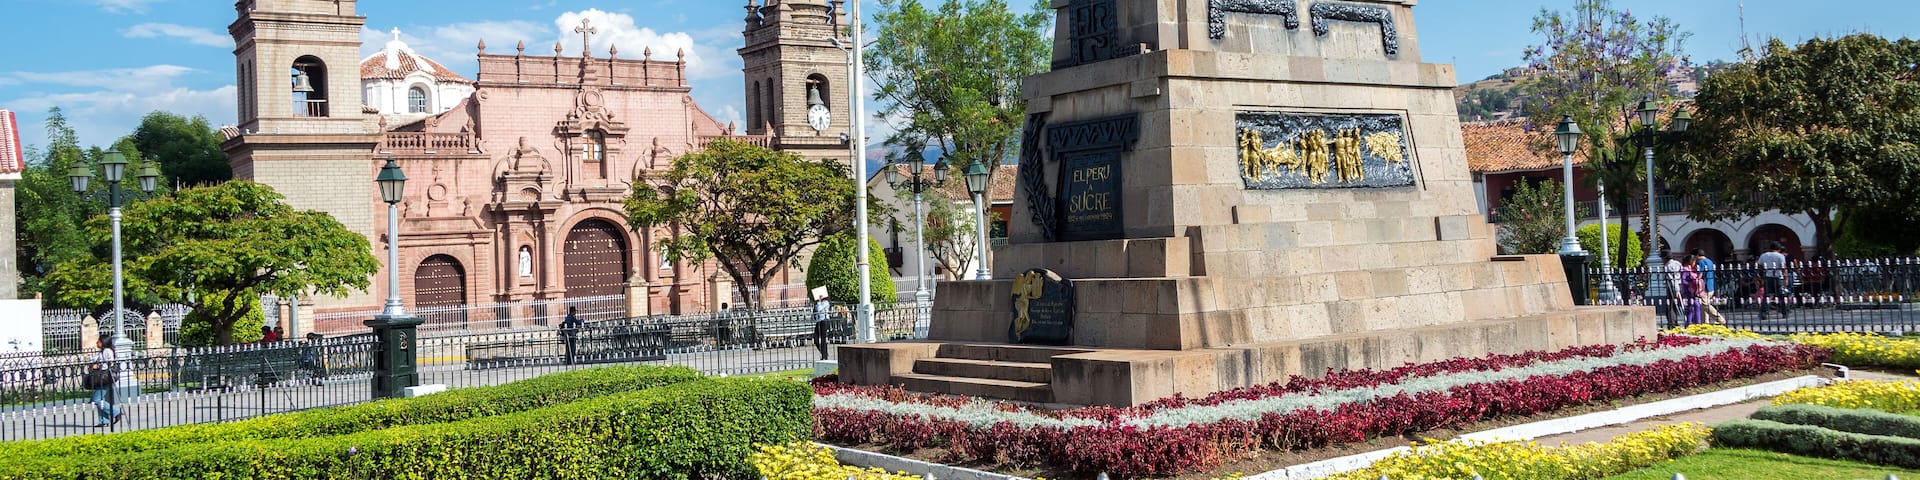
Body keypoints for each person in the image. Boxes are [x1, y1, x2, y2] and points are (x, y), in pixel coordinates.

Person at [90, 334, 122, 428]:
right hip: (102, 377)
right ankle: (104, 421)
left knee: (96, 400)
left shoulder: (107, 351)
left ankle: (116, 412)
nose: (97, 343)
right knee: (101, 399)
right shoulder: (102, 351)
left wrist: (98, 366)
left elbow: (109, 363)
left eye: (98, 341)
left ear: (103, 342)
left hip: (103, 377)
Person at [1757, 242, 1792, 319]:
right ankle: (1785, 312)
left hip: (1768, 276)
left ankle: (1764, 312)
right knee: (1782, 295)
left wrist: (1760, 276)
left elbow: (1759, 266)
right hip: (1778, 277)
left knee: (1767, 295)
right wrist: (1786, 278)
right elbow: (1783, 267)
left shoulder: (1764, 255)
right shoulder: (1780, 256)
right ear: (1779, 249)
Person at [1692, 249, 1726, 324]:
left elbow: (1700, 275)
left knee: (1705, 304)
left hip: (1705, 286)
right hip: (1711, 284)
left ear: (1697, 255)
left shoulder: (1701, 262)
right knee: (1704, 306)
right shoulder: (1709, 261)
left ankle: (1720, 319)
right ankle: (1705, 322)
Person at [1679, 254, 1705, 325]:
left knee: (1694, 305)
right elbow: (1683, 280)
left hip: (1694, 290)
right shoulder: (1685, 270)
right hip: (1689, 290)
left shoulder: (1691, 270)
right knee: (1693, 305)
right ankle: (1692, 322)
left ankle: (1694, 321)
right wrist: (1689, 284)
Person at [811, 287, 832, 361]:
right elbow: (815, 311)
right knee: (815, 338)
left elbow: (820, 309)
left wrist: (819, 301)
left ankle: (824, 356)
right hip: (819, 321)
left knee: (823, 339)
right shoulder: (817, 303)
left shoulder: (826, 302)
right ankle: (823, 352)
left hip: (824, 320)